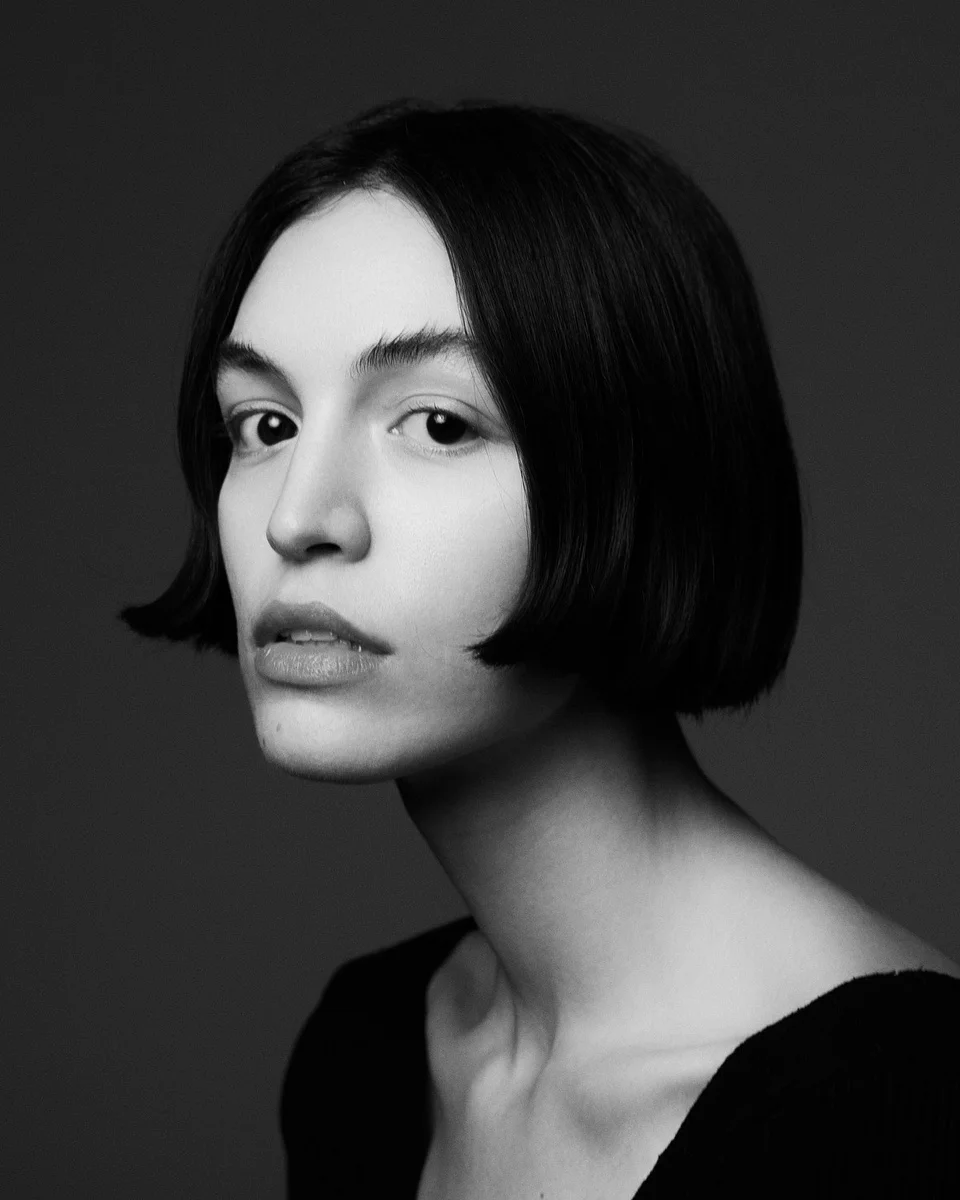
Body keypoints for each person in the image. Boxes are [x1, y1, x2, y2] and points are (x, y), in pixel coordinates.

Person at [119, 98, 960, 1198]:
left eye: (439, 423)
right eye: (265, 425)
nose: (297, 518)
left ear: (642, 478)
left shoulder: (899, 1116)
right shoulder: (368, 1056)